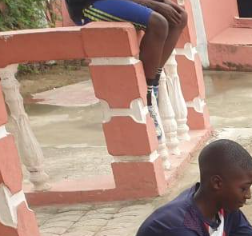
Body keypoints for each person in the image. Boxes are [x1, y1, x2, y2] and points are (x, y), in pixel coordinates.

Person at [64, 0, 187, 140]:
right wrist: (154, 4)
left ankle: (153, 84)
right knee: (158, 23)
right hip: (88, 6)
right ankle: (147, 98)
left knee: (179, 17)